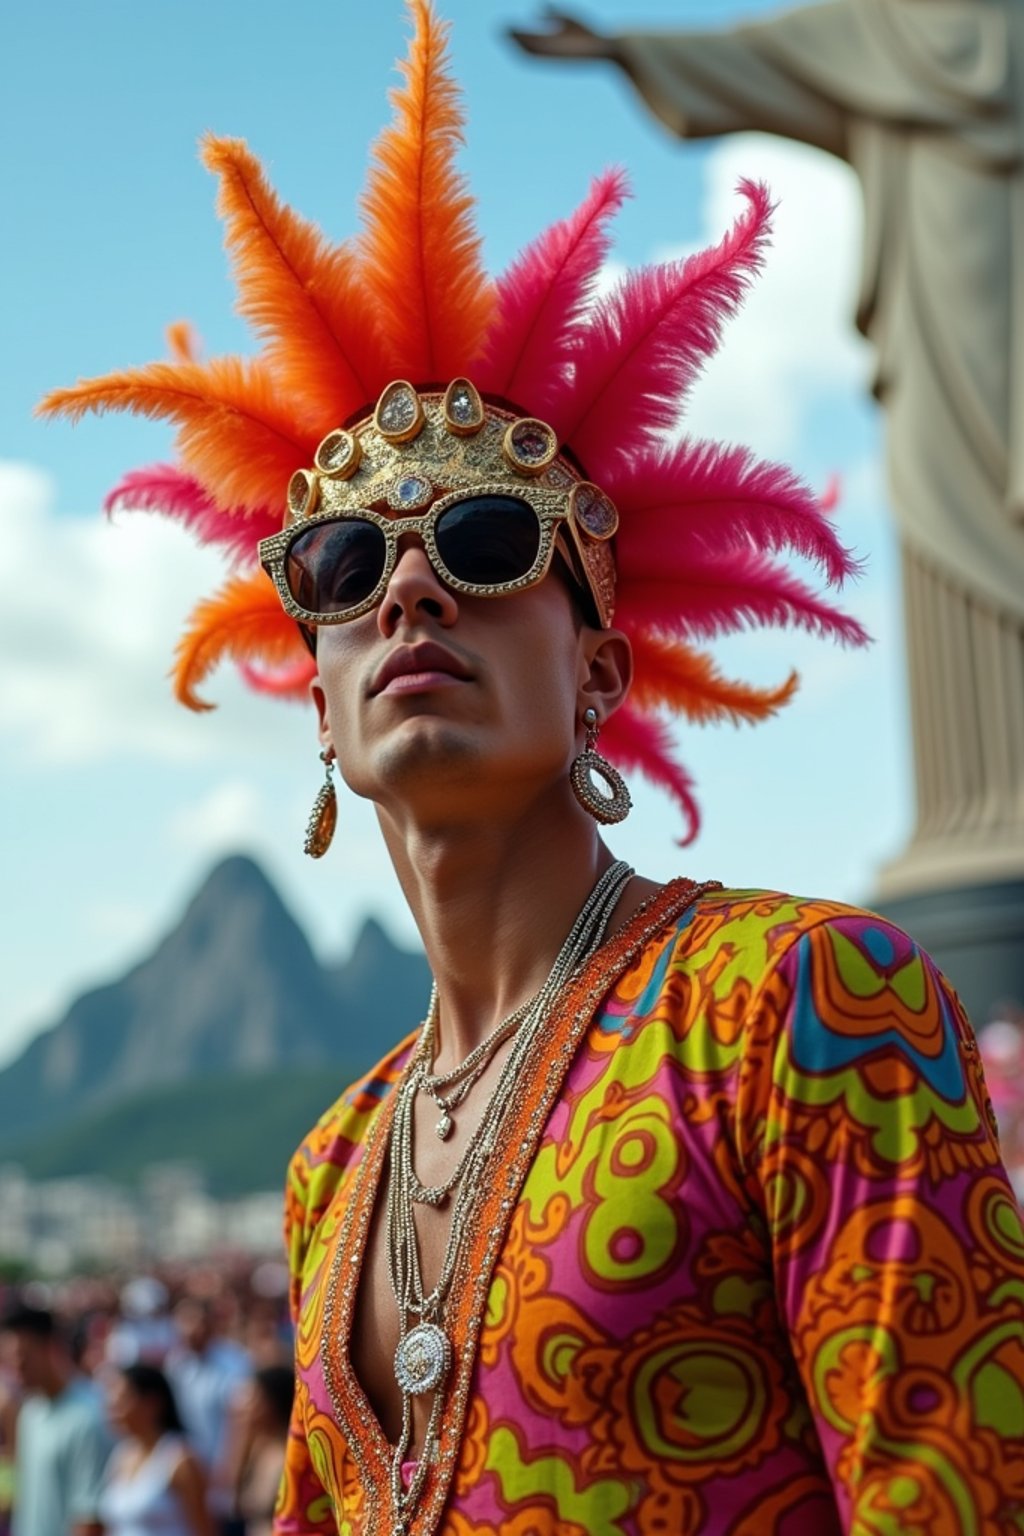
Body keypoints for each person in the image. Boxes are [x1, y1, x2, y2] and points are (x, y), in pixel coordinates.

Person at [41, 3, 1024, 1532]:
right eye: (345, 560)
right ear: (318, 703)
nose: (410, 592)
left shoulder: (803, 1005)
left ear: (602, 673)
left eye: (489, 543)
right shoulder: (330, 1169)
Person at [0, 1302, 108, 1536]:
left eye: (23, 1357)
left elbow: (89, 1518)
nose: (16, 1368)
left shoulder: (89, 1417)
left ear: (51, 1348)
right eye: (9, 1359)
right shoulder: (30, 1411)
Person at [100, 1363, 213, 1536]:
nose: (113, 1408)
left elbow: (205, 1529)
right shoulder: (120, 1455)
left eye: (122, 1399)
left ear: (152, 1402)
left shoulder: (180, 1459)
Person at [233, 1367, 295, 1536]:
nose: (243, 1406)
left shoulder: (293, 1456)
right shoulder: (258, 1448)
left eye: (253, 1398)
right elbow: (231, 1498)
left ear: (274, 1403)